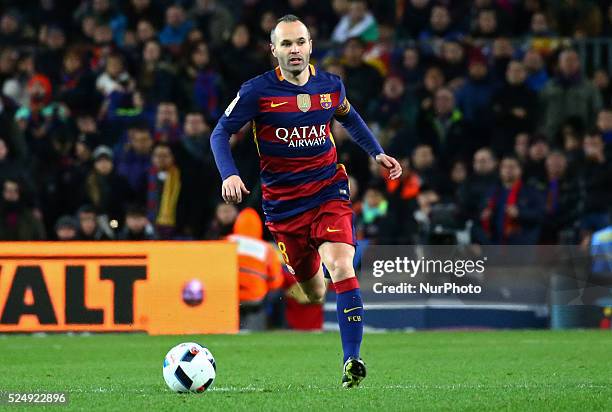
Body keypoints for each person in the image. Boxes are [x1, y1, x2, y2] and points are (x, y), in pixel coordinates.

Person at [210, 14, 401, 388]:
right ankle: (310, 279)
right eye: (286, 44)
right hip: (283, 208)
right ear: (273, 51)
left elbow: (351, 118)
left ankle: (352, 361)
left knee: (342, 265)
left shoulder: (330, 86)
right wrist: (229, 173)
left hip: (328, 191)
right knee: (315, 292)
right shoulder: (257, 92)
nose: (294, 50)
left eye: (300, 42)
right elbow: (220, 132)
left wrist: (376, 152)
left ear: (311, 46)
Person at [227, 208, 283, 330]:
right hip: (255, 302)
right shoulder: (266, 249)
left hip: (230, 300)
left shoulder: (227, 242)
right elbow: (276, 282)